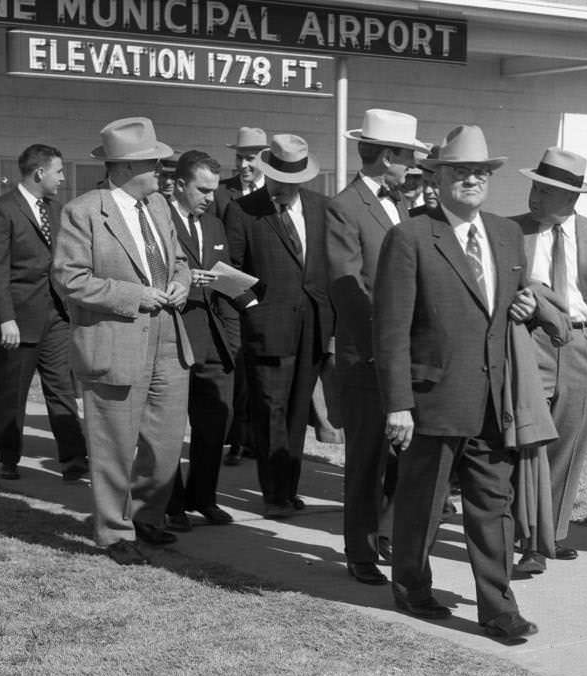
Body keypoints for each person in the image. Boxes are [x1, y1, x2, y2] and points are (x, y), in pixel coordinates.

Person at [374, 125, 551, 642]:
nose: (472, 180)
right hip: (432, 400)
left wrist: (526, 306)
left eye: (480, 172)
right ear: (438, 178)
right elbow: (390, 330)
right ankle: (410, 584)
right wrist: (399, 404)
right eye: (460, 171)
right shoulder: (408, 237)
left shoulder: (505, 234)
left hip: (494, 402)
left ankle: (498, 608)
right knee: (422, 501)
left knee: (493, 506)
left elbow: (510, 306)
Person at [51, 116, 193, 566]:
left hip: (169, 339)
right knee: (113, 443)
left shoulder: (160, 208)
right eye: (156, 163)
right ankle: (114, 532)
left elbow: (178, 262)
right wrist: (135, 296)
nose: (163, 170)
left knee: (165, 441)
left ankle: (147, 516)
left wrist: (182, 284)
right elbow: (69, 280)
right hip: (114, 342)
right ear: (128, 167)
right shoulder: (84, 211)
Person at [325, 109, 428, 586]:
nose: (411, 166)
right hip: (367, 354)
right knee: (366, 458)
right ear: (387, 156)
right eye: (408, 156)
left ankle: (386, 532)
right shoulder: (344, 207)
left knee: (402, 455)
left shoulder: (401, 205)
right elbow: (349, 288)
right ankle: (360, 551)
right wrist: (390, 333)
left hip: (402, 352)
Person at [511, 147, 587, 577]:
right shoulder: (508, 231)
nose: (535, 195)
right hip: (528, 343)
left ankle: (553, 533)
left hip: (583, 348)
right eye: (535, 185)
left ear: (572, 197)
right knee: (529, 444)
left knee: (567, 445)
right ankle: (529, 541)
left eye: (547, 189)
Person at [223, 133, 333, 519]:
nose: (285, 189)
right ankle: (273, 494)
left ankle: (288, 488)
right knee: (271, 410)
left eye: (292, 183)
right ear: (268, 174)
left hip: (313, 327)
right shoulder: (243, 211)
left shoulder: (321, 208)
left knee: (298, 411)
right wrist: (253, 308)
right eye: (279, 181)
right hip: (267, 329)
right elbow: (229, 272)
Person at [0, 144, 88, 482]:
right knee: (13, 393)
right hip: (18, 319)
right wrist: (6, 318)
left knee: (61, 391)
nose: (63, 178)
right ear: (40, 173)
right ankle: (8, 458)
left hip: (55, 316)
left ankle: (73, 459)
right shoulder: (1, 211)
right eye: (59, 171)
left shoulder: (57, 211)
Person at [162, 150, 251, 531]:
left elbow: (226, 282)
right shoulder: (158, 221)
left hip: (215, 344)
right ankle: (172, 503)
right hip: (174, 339)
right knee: (167, 431)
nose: (209, 197)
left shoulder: (214, 225)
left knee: (214, 425)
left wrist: (231, 341)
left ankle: (204, 497)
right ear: (180, 185)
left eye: (214, 190)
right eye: (202, 189)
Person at [216, 126, 266, 463]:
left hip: (269, 297)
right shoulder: (221, 196)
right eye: (239, 158)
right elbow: (216, 253)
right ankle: (235, 438)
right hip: (232, 295)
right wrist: (241, 295)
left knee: (261, 368)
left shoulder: (277, 193)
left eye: (250, 158)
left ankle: (254, 438)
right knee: (237, 363)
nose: (243, 165)